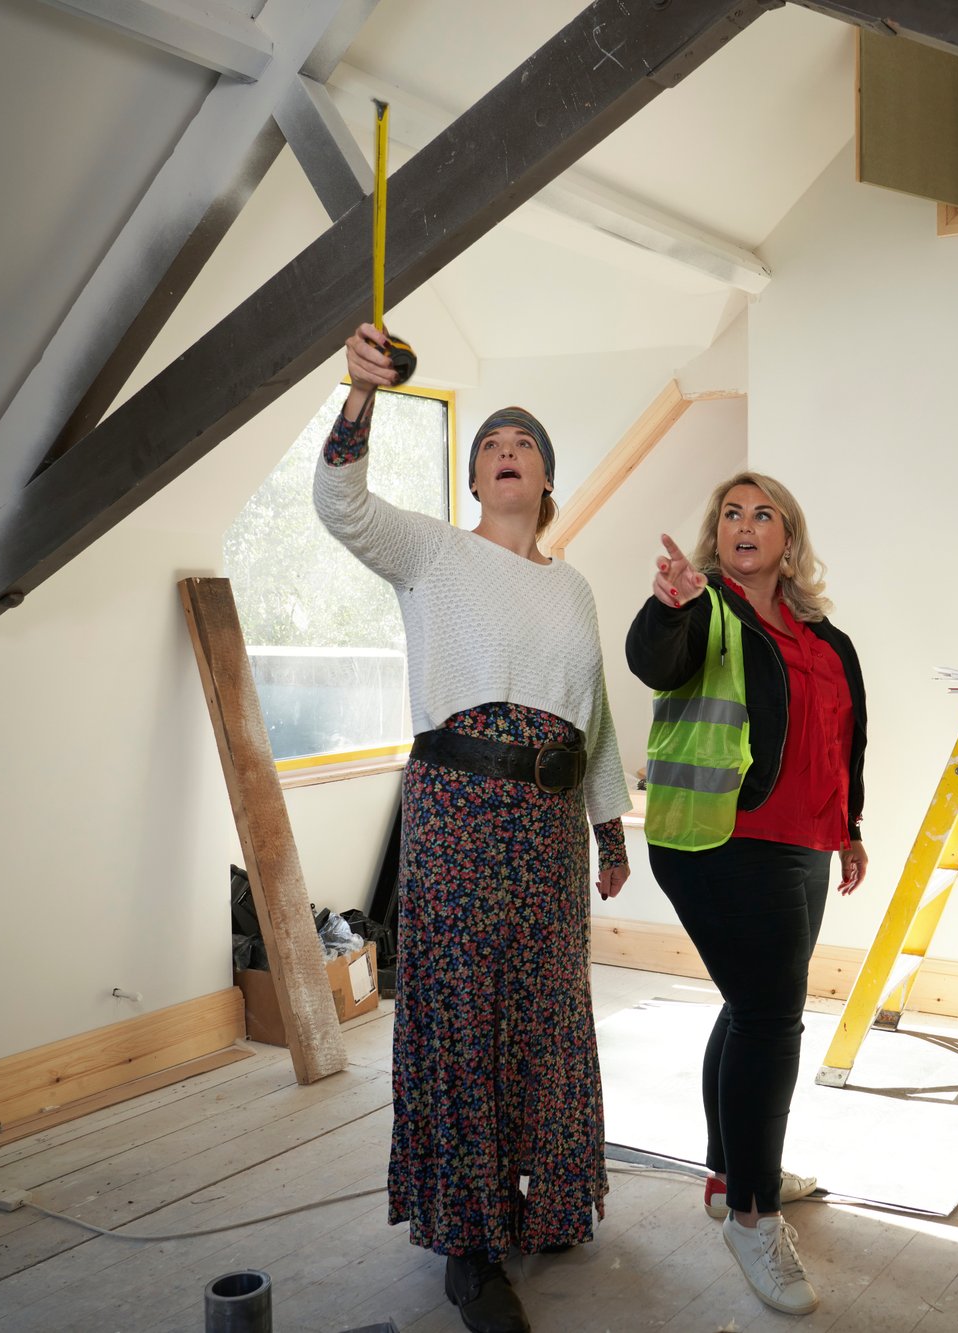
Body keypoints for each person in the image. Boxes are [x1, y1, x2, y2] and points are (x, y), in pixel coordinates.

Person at [313, 324, 631, 1333]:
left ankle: (541, 1199)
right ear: (474, 477)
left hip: (548, 827)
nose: (505, 448)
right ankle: (468, 1241)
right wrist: (362, 398)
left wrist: (609, 824)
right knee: (460, 1011)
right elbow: (339, 503)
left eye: (525, 444)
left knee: (543, 1009)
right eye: (489, 441)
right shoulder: (433, 553)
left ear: (545, 481)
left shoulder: (571, 585)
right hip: (457, 811)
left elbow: (596, 713)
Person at [624, 472, 869, 1316]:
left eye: (764, 513)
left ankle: (733, 1170)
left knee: (747, 1005)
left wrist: (851, 826)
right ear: (716, 534)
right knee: (771, 1016)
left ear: (788, 540)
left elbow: (845, 736)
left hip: (802, 843)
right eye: (731, 512)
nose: (745, 524)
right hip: (718, 840)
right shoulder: (707, 612)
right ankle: (752, 1213)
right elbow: (657, 657)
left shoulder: (823, 636)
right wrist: (671, 606)